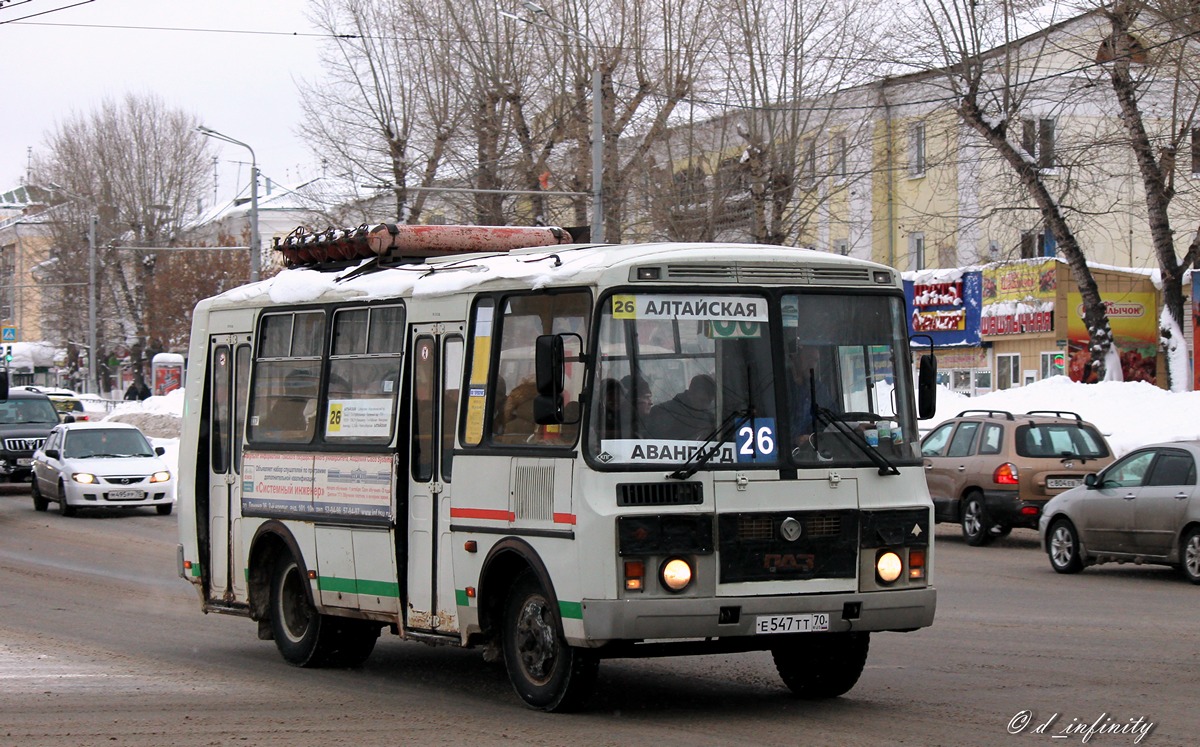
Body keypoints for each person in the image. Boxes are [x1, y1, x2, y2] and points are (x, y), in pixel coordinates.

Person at [789, 345, 838, 447]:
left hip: (816, 446)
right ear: (796, 359)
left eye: (815, 360)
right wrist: (793, 439)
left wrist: (855, 426)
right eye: (808, 358)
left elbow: (834, 418)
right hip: (787, 451)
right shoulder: (781, 387)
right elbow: (775, 422)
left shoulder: (819, 389)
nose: (812, 364)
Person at [648, 373, 717, 440]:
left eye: (709, 401)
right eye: (702, 401)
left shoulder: (711, 419)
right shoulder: (662, 412)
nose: (705, 406)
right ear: (691, 393)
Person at [620, 373, 653, 437]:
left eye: (650, 398)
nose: (651, 403)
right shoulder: (617, 425)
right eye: (646, 397)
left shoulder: (653, 423)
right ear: (631, 400)